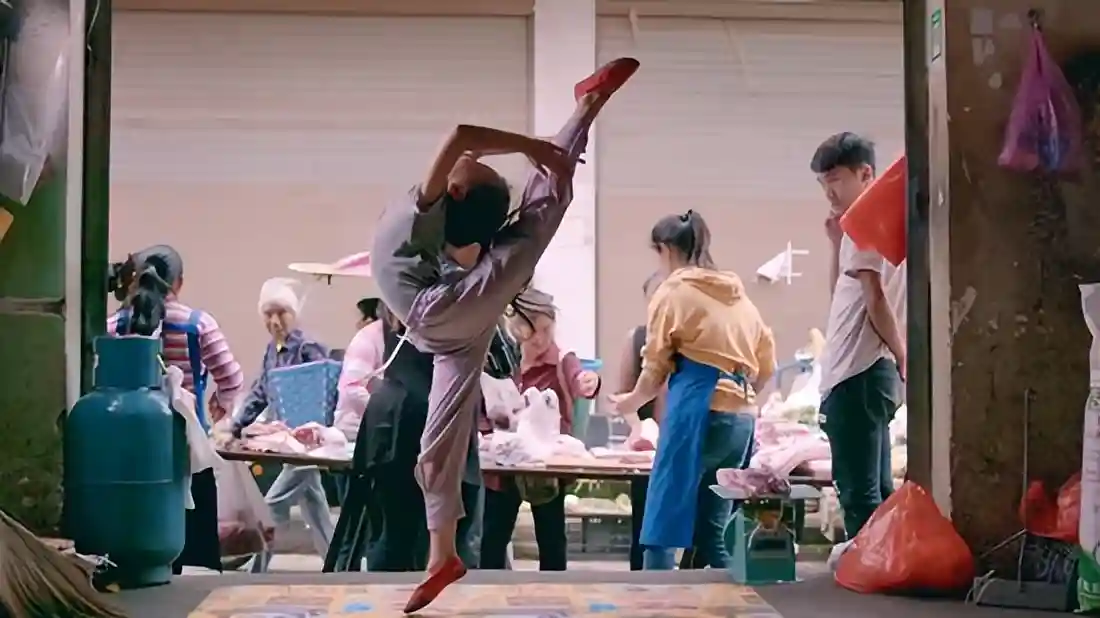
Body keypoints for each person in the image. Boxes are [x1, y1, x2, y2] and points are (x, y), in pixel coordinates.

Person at [370, 57, 639, 612]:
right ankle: (586, 108)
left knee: (441, 437)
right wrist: (539, 149)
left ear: (457, 193)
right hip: (437, 311)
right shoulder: (426, 208)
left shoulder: (427, 204)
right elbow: (466, 139)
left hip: (440, 312)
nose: (470, 162)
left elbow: (463, 138)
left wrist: (535, 150)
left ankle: (441, 555)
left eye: (472, 171)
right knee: (536, 224)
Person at [609, 210, 775, 571]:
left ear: (666, 249)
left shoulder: (674, 292)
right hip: (741, 422)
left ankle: (657, 599)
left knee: (663, 526)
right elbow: (767, 365)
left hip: (698, 411)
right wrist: (740, 394)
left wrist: (629, 402)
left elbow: (655, 367)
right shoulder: (740, 299)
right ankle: (730, 599)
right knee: (713, 532)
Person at [324, 305, 514, 573]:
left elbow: (504, 365)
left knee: (404, 547)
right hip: (416, 434)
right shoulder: (459, 307)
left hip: (413, 431)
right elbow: (505, 364)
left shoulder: (440, 314)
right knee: (414, 549)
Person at [105, 245, 246, 575]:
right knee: (196, 554)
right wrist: (219, 405)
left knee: (136, 538)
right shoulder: (198, 325)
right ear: (179, 282)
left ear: (135, 278)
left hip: (132, 447)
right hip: (188, 449)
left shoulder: (116, 324)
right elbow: (232, 379)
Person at [811, 132, 905, 537]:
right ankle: (880, 563)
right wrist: (836, 244)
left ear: (865, 173)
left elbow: (874, 297)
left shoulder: (866, 221)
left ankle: (868, 567)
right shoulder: (863, 224)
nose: (829, 192)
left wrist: (903, 354)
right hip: (867, 372)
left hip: (856, 374)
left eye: (835, 179)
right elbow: (844, 295)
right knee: (877, 493)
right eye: (823, 183)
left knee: (860, 496)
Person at [479, 288, 600, 572]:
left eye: (547, 329)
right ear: (515, 327)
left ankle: (555, 593)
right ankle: (489, 590)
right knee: (493, 537)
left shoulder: (561, 360)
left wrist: (589, 382)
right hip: (504, 463)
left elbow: (580, 378)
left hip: (546, 467)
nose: (541, 339)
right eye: (533, 331)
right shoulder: (500, 358)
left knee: (551, 536)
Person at [227, 277, 335, 573]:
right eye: (268, 314)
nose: (274, 321)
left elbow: (322, 394)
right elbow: (261, 392)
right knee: (314, 505)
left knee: (273, 504)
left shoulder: (309, 348)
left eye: (281, 313)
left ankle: (256, 572)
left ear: (293, 313)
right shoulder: (272, 351)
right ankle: (338, 565)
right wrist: (235, 427)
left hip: (307, 445)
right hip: (288, 444)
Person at [616, 273, 666, 571]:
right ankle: (640, 583)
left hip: (689, 440)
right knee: (646, 526)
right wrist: (638, 429)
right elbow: (623, 396)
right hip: (649, 450)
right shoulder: (637, 339)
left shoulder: (696, 340)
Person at [334, 297, 385, 440]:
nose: (357, 324)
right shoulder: (366, 338)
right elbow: (352, 388)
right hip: (356, 429)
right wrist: (385, 412)